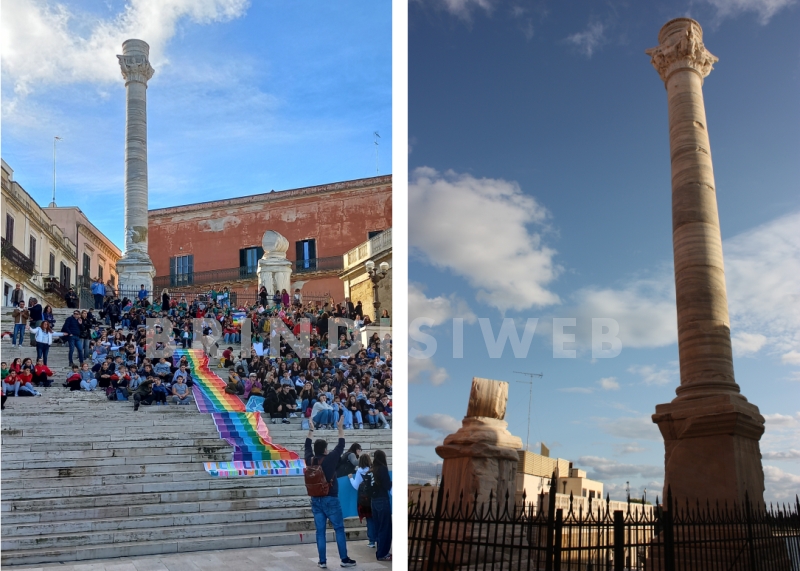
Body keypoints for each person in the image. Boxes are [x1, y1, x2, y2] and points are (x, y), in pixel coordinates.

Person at [304, 416, 357, 568]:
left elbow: (307, 445)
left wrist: (311, 430)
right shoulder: (330, 459)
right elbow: (341, 444)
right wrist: (340, 427)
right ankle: (344, 559)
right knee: (339, 528)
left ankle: (322, 561)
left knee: (320, 531)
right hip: (331, 498)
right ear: (326, 449)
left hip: (315, 499)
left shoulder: (310, 459)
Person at [368, 449, 392, 561]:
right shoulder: (382, 468)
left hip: (373, 501)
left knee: (378, 528)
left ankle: (380, 551)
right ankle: (383, 553)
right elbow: (387, 485)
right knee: (385, 528)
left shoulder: (371, 470)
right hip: (383, 499)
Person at [349, 453, 376, 548]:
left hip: (364, 499)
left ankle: (372, 541)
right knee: (376, 518)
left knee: (369, 519)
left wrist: (351, 478)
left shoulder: (360, 471)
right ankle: (379, 538)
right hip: (374, 496)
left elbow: (356, 486)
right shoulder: (373, 469)